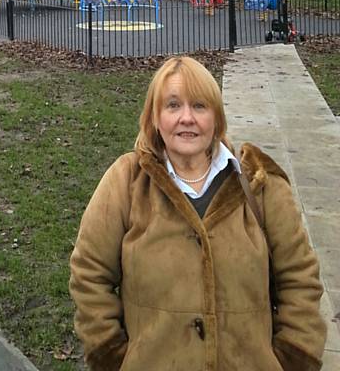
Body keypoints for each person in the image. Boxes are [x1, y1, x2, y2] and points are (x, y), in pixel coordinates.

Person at [69, 56, 327, 371]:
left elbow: (300, 280)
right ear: (155, 117)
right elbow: (89, 274)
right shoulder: (126, 181)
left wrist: (294, 357)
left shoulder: (262, 184)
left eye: (200, 106)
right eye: (173, 106)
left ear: (216, 118)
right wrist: (112, 356)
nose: (186, 118)